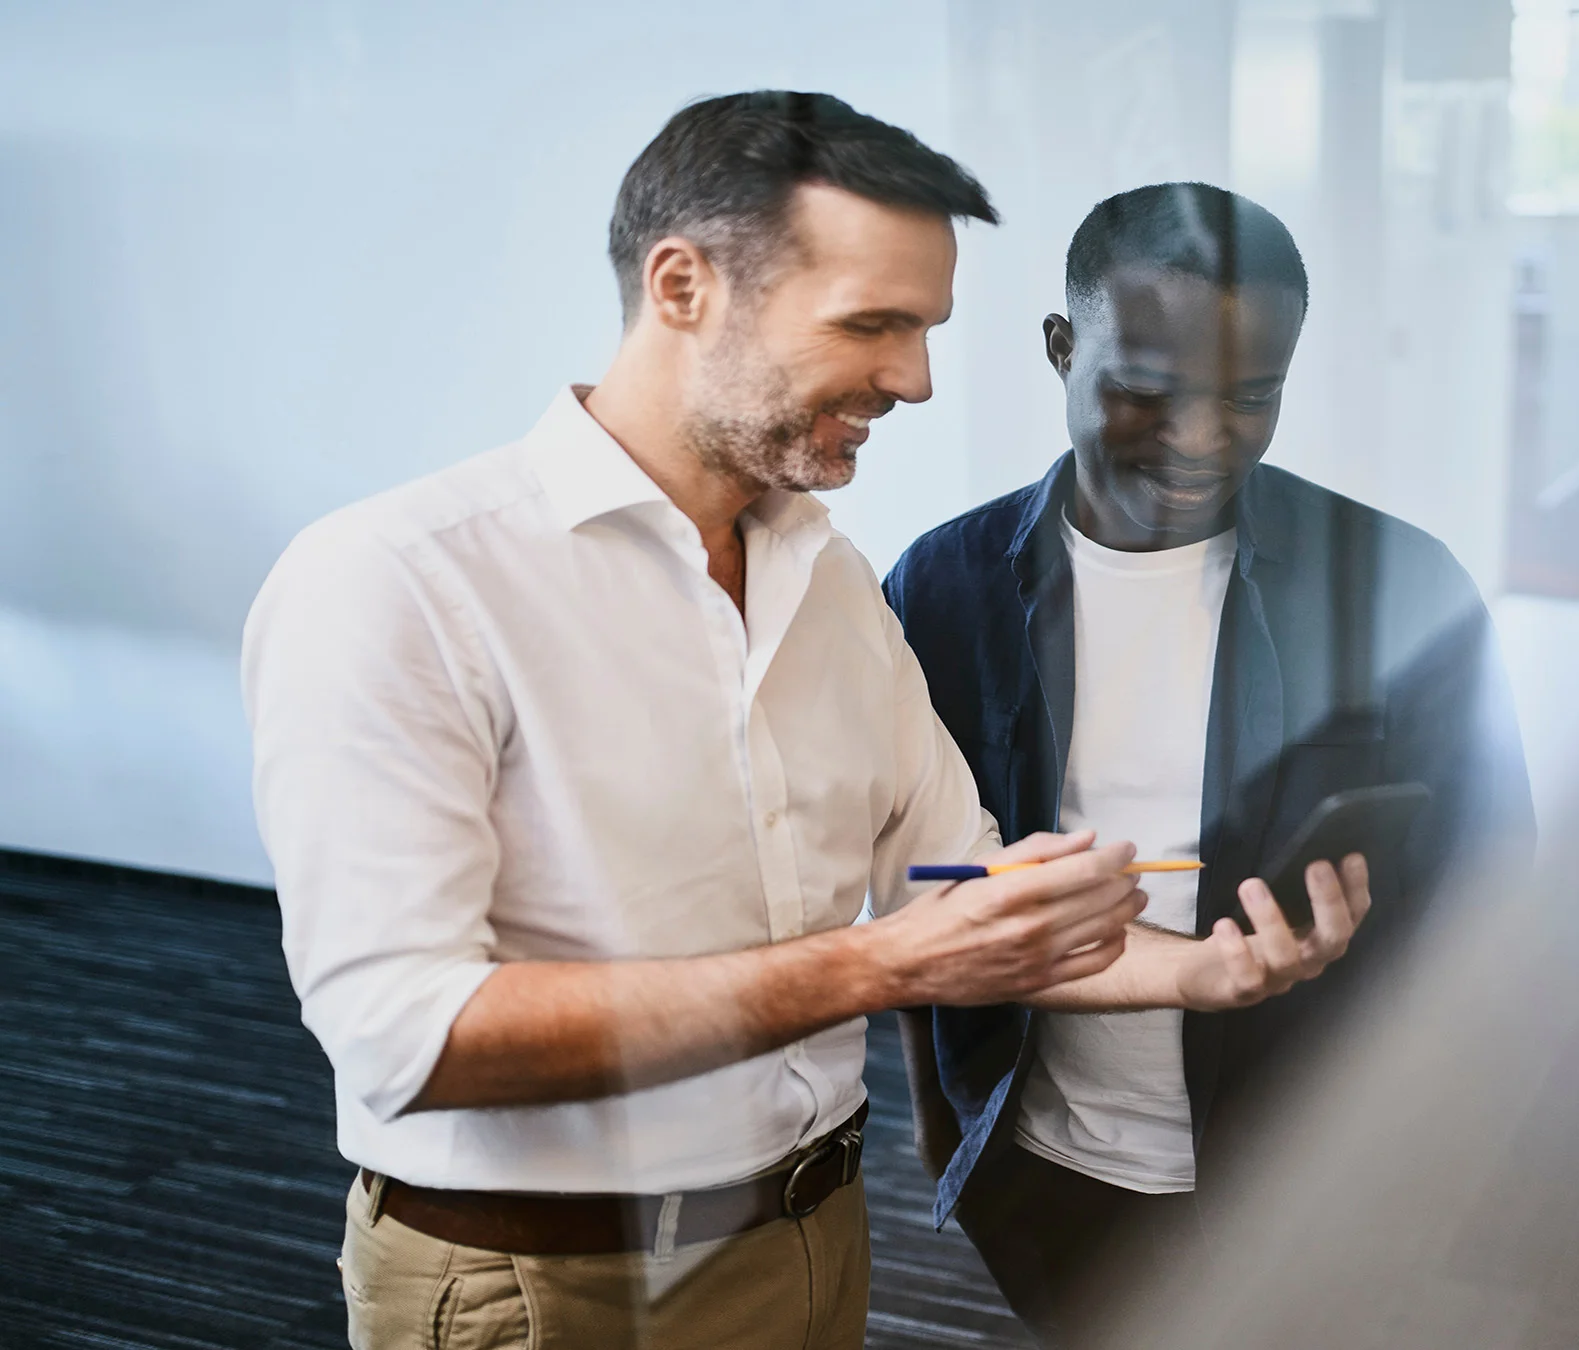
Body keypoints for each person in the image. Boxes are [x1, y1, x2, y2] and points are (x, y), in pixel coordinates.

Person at [242, 94, 1305, 1350]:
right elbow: (402, 1040)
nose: (913, 378)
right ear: (683, 286)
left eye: (927, 330)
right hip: (548, 1287)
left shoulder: (835, 584)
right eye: (874, 324)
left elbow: (962, 897)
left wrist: (1209, 975)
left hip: (811, 1239)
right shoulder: (400, 579)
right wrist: (881, 968)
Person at [882, 182, 1536, 1348]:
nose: (1200, 439)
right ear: (1060, 348)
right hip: (1046, 1169)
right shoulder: (942, 586)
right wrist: (942, 1131)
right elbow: (923, 884)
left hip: (1316, 1186)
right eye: (1147, 390)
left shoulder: (1401, 586)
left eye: (1251, 398)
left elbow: (1496, 898)